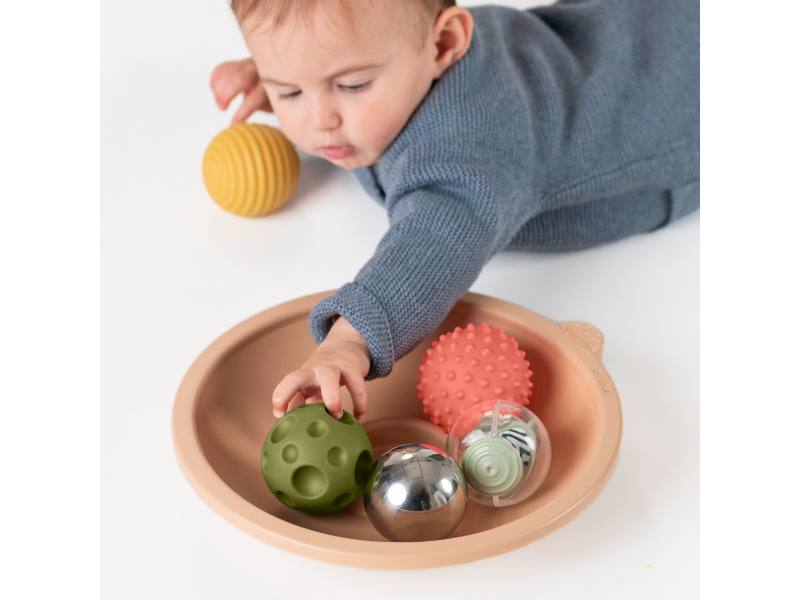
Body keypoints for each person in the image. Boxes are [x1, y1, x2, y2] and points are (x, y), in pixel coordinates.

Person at [210, 0, 700, 421]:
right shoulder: (404, 44)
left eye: (353, 84)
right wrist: (292, 62)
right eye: (290, 91)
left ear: (444, 44)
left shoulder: (471, 143)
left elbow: (436, 237)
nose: (319, 121)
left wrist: (350, 340)